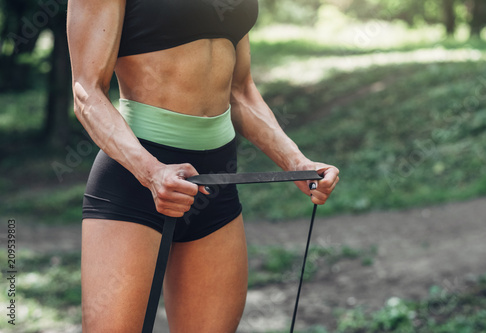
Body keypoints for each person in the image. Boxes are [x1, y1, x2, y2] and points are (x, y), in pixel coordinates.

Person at [67, 0, 340, 331]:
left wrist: (297, 162)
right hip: (134, 182)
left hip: (216, 182)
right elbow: (87, 92)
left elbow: (241, 92)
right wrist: (151, 172)